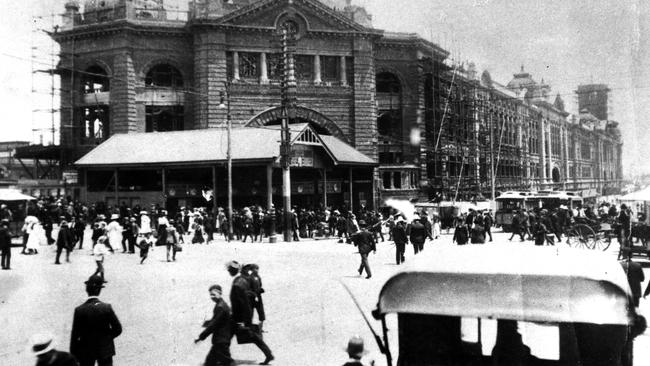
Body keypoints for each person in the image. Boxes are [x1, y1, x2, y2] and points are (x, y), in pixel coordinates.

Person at [226, 261, 274, 364]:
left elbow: (245, 302)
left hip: (239, 317)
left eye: (229, 269)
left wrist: (245, 321)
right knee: (229, 336)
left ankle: (223, 358)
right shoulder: (243, 278)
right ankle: (224, 357)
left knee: (247, 336)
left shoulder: (239, 282)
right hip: (239, 315)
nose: (228, 271)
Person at [70, 274, 122, 366]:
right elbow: (118, 329)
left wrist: (73, 354)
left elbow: (75, 335)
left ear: (87, 290)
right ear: (99, 290)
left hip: (86, 349)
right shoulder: (106, 308)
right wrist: (106, 337)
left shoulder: (79, 310)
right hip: (105, 349)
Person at [195, 284, 234, 366]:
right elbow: (217, 320)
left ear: (219, 293)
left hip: (221, 342)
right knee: (210, 362)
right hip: (221, 341)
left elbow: (213, 325)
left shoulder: (220, 307)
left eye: (213, 294)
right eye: (210, 295)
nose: (211, 297)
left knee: (226, 363)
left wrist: (201, 337)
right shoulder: (222, 304)